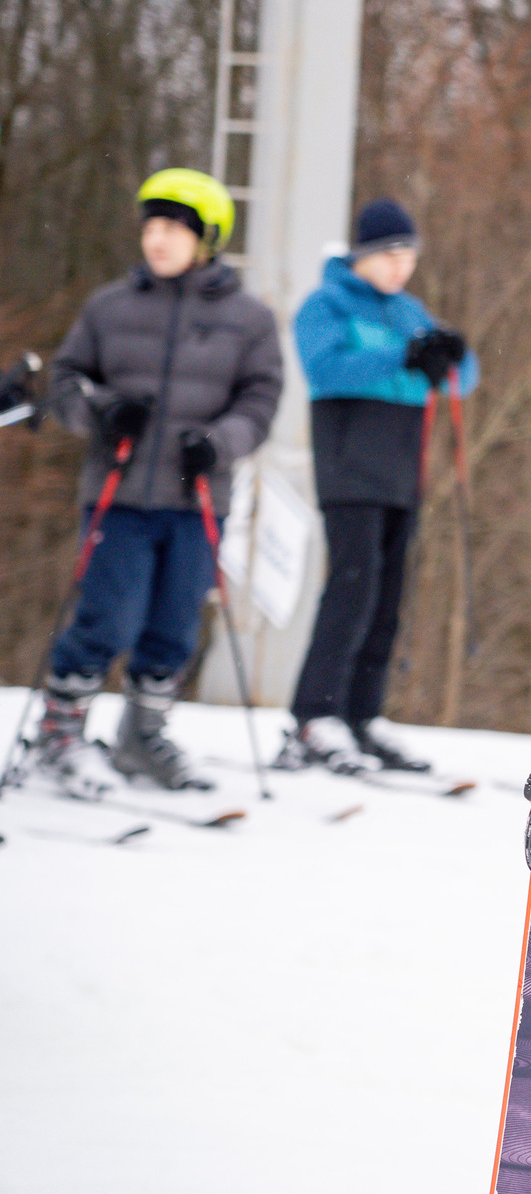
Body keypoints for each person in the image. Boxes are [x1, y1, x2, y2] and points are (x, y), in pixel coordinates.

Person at [31, 169, 281, 797]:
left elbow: (260, 402)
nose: (157, 239)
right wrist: (102, 411)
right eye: (151, 227)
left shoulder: (248, 319)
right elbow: (66, 384)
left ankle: (142, 739)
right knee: (106, 617)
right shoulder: (109, 307)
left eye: (174, 227)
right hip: (119, 494)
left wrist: (218, 443)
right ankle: (59, 735)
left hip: (196, 498)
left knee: (174, 625)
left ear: (207, 238)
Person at [276, 197, 475, 775]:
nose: (399, 267)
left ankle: (363, 715)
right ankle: (315, 713)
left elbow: (463, 378)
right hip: (350, 468)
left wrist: (449, 353)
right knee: (352, 590)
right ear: (361, 254)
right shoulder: (328, 303)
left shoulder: (410, 311)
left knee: (388, 598)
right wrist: (402, 356)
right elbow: (325, 368)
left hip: (400, 473)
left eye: (408, 256)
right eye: (389, 255)